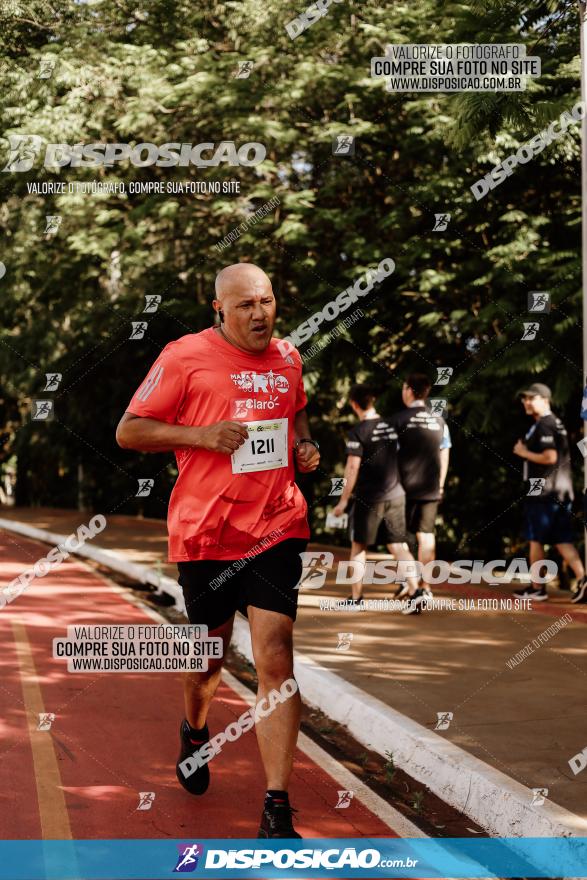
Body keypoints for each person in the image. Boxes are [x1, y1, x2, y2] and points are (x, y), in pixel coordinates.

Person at [116, 262, 320, 837]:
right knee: (206, 660)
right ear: (220, 311)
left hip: (277, 525)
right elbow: (129, 430)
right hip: (206, 534)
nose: (260, 314)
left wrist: (304, 445)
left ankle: (276, 808)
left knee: (275, 656)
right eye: (246, 306)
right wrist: (199, 435)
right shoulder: (184, 357)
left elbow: (296, 407)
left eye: (267, 301)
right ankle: (195, 728)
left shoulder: (287, 356)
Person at [331, 384, 425, 614]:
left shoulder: (358, 432)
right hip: (396, 494)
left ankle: (356, 598)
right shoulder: (393, 425)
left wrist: (343, 501)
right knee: (397, 545)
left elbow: (352, 468)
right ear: (372, 399)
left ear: (354, 404)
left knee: (358, 547)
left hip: (368, 498)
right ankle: (416, 591)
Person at [512, 382, 586, 602]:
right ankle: (583, 579)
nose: (526, 402)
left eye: (531, 398)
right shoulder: (554, 423)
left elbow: (550, 457)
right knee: (562, 539)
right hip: (560, 490)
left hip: (544, 491)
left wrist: (523, 452)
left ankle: (537, 588)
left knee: (535, 539)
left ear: (545, 400)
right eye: (525, 398)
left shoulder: (545, 424)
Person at [391, 373, 451, 591]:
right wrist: (441, 484)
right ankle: (425, 587)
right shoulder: (440, 420)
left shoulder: (399, 420)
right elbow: (445, 453)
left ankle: (409, 583)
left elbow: (389, 456)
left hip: (401, 488)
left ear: (408, 390)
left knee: (399, 538)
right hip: (431, 488)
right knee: (426, 535)